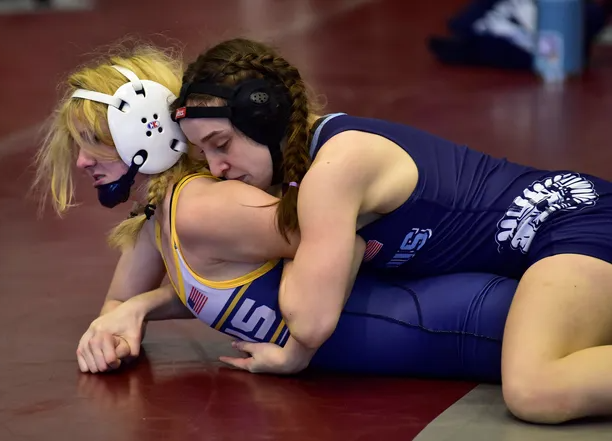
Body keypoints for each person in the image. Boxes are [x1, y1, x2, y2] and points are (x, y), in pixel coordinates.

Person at [170, 37, 612, 424]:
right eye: (204, 153)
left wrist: (295, 349)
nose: (216, 168)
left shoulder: (335, 170)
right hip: (560, 233)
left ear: (263, 118)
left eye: (221, 144)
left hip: (571, 221)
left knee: (534, 388)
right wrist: (137, 308)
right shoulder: (314, 171)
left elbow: (311, 319)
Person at [32, 43, 517, 383]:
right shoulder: (163, 217)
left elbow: (342, 238)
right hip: (442, 334)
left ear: (147, 130)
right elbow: (117, 306)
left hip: (464, 323)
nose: (81, 162)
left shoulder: (201, 208)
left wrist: (300, 350)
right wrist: (129, 316)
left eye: (94, 143)